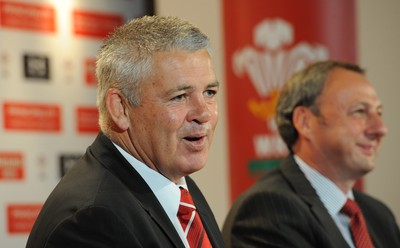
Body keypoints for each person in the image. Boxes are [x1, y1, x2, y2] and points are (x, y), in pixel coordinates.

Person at [26, 15, 224, 248]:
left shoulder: (178, 187)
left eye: (209, 93)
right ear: (120, 108)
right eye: (179, 97)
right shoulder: (91, 221)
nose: (204, 114)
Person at [222, 60, 400, 248]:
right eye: (359, 111)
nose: (380, 129)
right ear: (305, 122)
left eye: (379, 112)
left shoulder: (379, 216)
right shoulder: (267, 210)